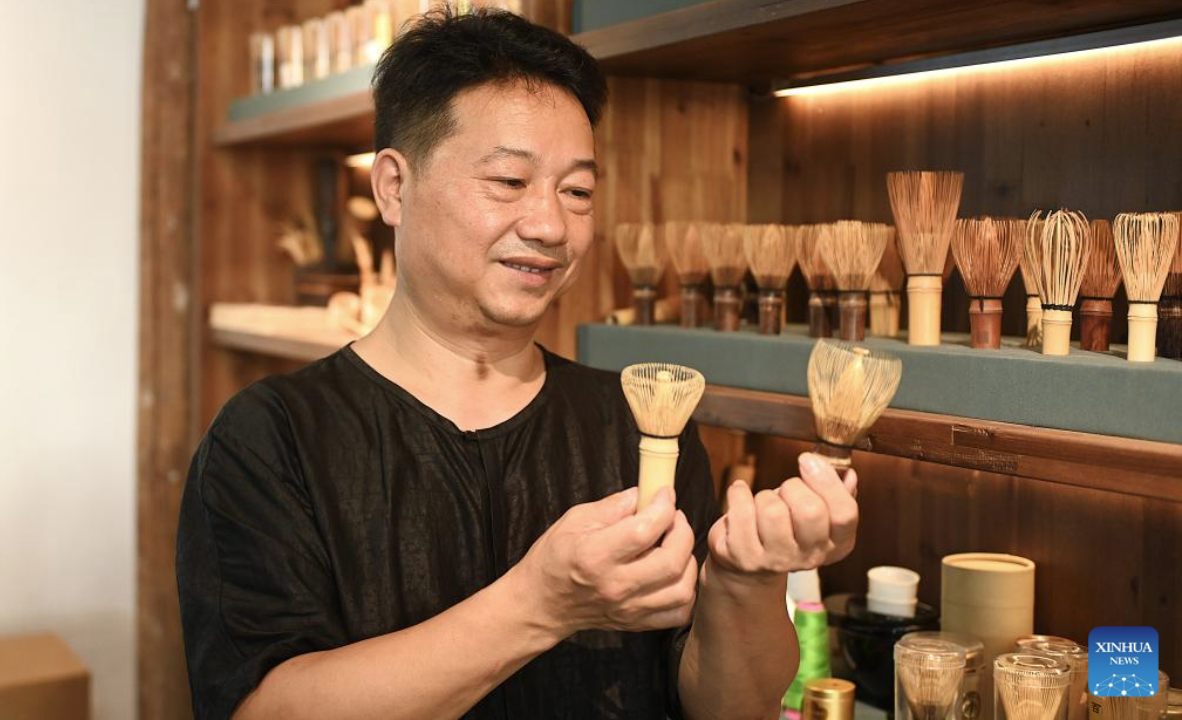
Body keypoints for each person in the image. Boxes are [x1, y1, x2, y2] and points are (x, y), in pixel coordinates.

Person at [176, 8, 858, 720]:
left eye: (578, 192)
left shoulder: (639, 424)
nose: (551, 226)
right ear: (394, 188)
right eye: (508, 180)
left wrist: (746, 580)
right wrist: (540, 605)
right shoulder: (271, 439)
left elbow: (729, 710)